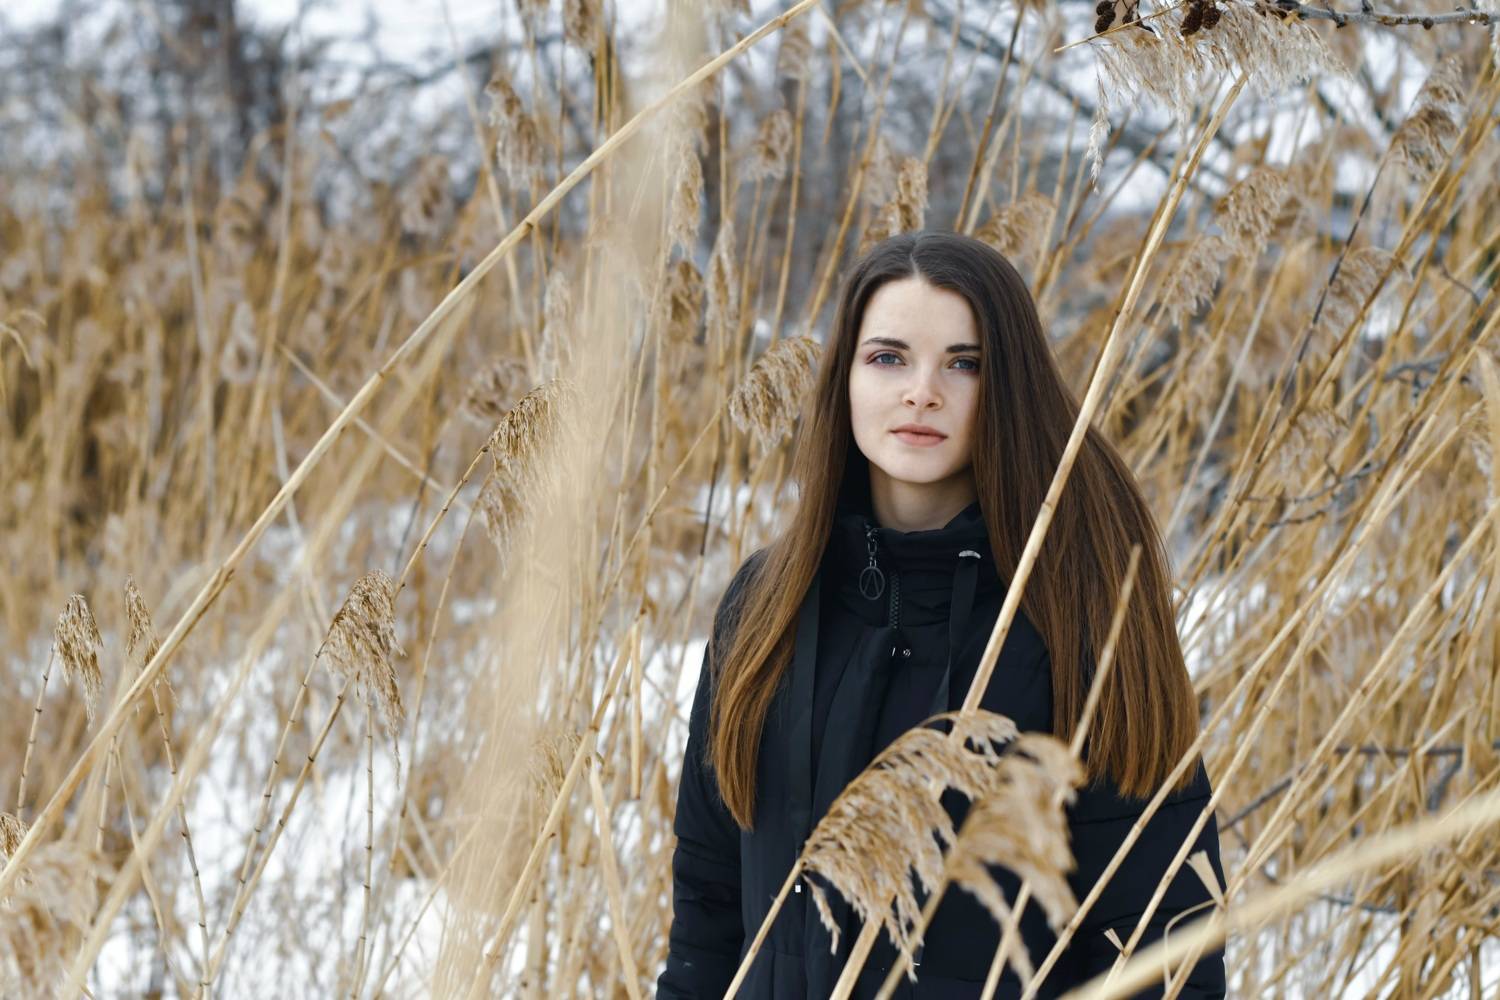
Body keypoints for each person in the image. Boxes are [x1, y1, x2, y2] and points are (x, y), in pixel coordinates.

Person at [656, 231, 1227, 999]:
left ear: (1010, 388)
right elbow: (708, 902)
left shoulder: (1080, 614)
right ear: (845, 378)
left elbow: (1163, 948)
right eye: (888, 358)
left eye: (964, 363)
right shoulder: (765, 606)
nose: (922, 391)